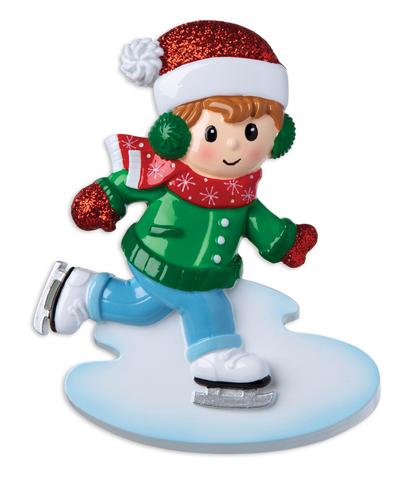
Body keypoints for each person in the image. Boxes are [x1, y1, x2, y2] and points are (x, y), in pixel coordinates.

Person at [34, 21, 317, 392]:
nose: (234, 146)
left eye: (252, 132)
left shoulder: (244, 195)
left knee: (142, 308)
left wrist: (286, 241)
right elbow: (127, 183)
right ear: (175, 134)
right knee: (206, 305)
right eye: (213, 133)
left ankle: (82, 291)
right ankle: (215, 358)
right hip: (161, 256)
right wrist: (104, 198)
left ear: (278, 137)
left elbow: (260, 224)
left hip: (196, 270)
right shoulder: (168, 176)